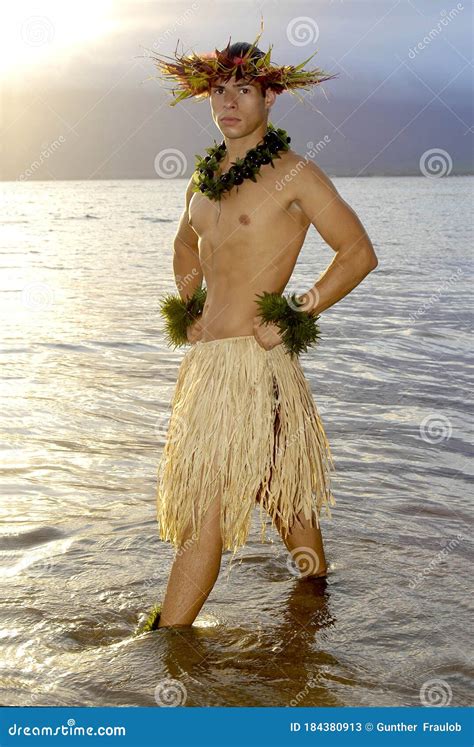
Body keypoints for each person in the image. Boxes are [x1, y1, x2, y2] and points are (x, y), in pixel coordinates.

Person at [145, 26, 378, 631]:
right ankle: (315, 607)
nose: (228, 102)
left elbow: (357, 252)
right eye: (218, 91)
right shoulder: (200, 179)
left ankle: (163, 645)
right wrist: (189, 299)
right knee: (284, 492)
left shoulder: (295, 174)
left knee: (204, 516)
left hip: (255, 364)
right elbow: (183, 242)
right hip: (206, 368)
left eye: (243, 89)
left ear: (269, 97)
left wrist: (297, 312)